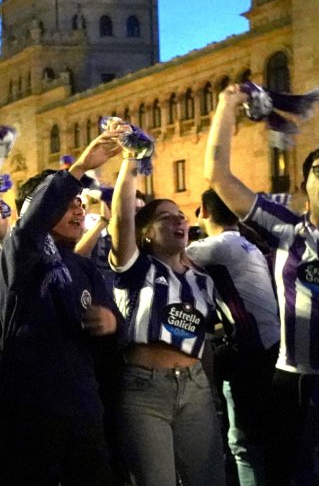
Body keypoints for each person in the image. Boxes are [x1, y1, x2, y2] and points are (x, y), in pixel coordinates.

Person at [205, 83, 319, 484]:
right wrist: (227, 105)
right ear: (305, 188)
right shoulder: (286, 229)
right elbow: (217, 176)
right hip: (291, 383)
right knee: (285, 475)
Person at [0, 129, 124, 485]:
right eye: (68, 202)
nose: (79, 207)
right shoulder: (20, 254)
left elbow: (116, 327)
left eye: (80, 202)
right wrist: (78, 168)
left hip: (82, 406)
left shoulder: (83, 266)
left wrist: (111, 323)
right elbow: (31, 225)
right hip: (29, 409)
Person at [109, 143, 225, 486]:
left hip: (196, 390)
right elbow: (122, 217)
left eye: (182, 216)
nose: (179, 220)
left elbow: (204, 342)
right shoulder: (136, 268)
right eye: (166, 217)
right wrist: (131, 163)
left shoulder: (202, 279)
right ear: (145, 233)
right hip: (144, 391)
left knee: (208, 479)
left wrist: (211, 389)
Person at [187, 188, 279, 486]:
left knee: (245, 445)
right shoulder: (244, 244)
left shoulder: (217, 246)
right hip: (268, 348)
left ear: (203, 210)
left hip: (252, 353)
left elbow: (166, 257)